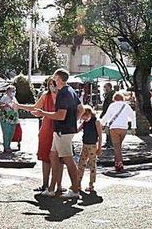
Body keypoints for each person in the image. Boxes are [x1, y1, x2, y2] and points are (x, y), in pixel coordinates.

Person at [28, 69, 81, 199]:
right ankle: (51, 189)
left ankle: (75, 190)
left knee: (68, 160)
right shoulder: (71, 91)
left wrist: (42, 113)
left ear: (58, 78)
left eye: (54, 77)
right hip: (62, 131)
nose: (52, 80)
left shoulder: (63, 93)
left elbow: (60, 115)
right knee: (53, 156)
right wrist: (73, 121)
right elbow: (81, 109)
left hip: (62, 131)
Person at [18, 78, 58, 192]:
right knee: (45, 157)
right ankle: (45, 184)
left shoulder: (64, 95)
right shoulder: (45, 96)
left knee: (59, 158)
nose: (52, 86)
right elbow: (35, 107)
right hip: (46, 128)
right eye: (50, 84)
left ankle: (57, 185)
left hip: (59, 128)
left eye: (54, 84)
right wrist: (19, 106)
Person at [101, 91, 135, 172]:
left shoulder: (112, 105)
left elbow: (106, 116)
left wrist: (101, 124)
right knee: (118, 146)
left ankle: (119, 164)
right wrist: (133, 127)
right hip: (124, 128)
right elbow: (133, 116)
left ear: (114, 99)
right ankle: (117, 163)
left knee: (116, 147)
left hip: (114, 127)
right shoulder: (126, 106)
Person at [76, 105, 102, 192]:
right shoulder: (85, 122)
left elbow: (100, 135)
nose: (82, 118)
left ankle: (91, 184)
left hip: (92, 145)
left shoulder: (96, 122)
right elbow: (77, 130)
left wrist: (99, 147)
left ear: (88, 113)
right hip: (85, 145)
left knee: (92, 165)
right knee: (81, 164)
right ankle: (78, 183)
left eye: (83, 116)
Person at [0, 85, 20, 153]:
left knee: (11, 133)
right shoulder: (4, 97)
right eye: (12, 90)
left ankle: (8, 146)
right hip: (5, 118)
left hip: (13, 118)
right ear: (8, 91)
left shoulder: (14, 98)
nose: (14, 92)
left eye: (14, 90)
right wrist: (6, 105)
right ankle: (6, 147)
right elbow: (0, 106)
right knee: (6, 133)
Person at [100, 83, 114, 149]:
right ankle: (108, 142)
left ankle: (110, 143)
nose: (104, 88)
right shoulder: (108, 94)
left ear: (109, 87)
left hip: (110, 114)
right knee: (107, 128)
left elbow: (109, 105)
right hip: (107, 113)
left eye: (105, 87)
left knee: (109, 128)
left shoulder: (111, 94)